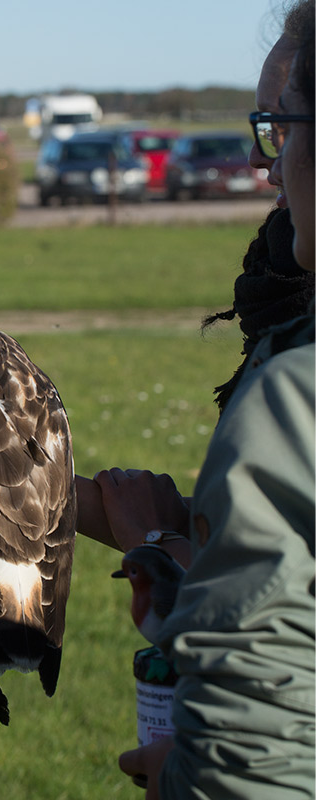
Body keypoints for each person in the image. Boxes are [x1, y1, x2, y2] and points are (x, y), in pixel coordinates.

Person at [117, 3, 315, 796]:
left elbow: (253, 768)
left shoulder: (297, 402)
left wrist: (179, 777)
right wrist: (187, 555)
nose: (270, 163)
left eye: (282, 123)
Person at [75, 0, 315, 566]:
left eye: (281, 125)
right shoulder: (285, 297)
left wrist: (155, 545)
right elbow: (270, 543)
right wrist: (28, 493)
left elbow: (260, 632)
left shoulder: (302, 370)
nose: (261, 158)